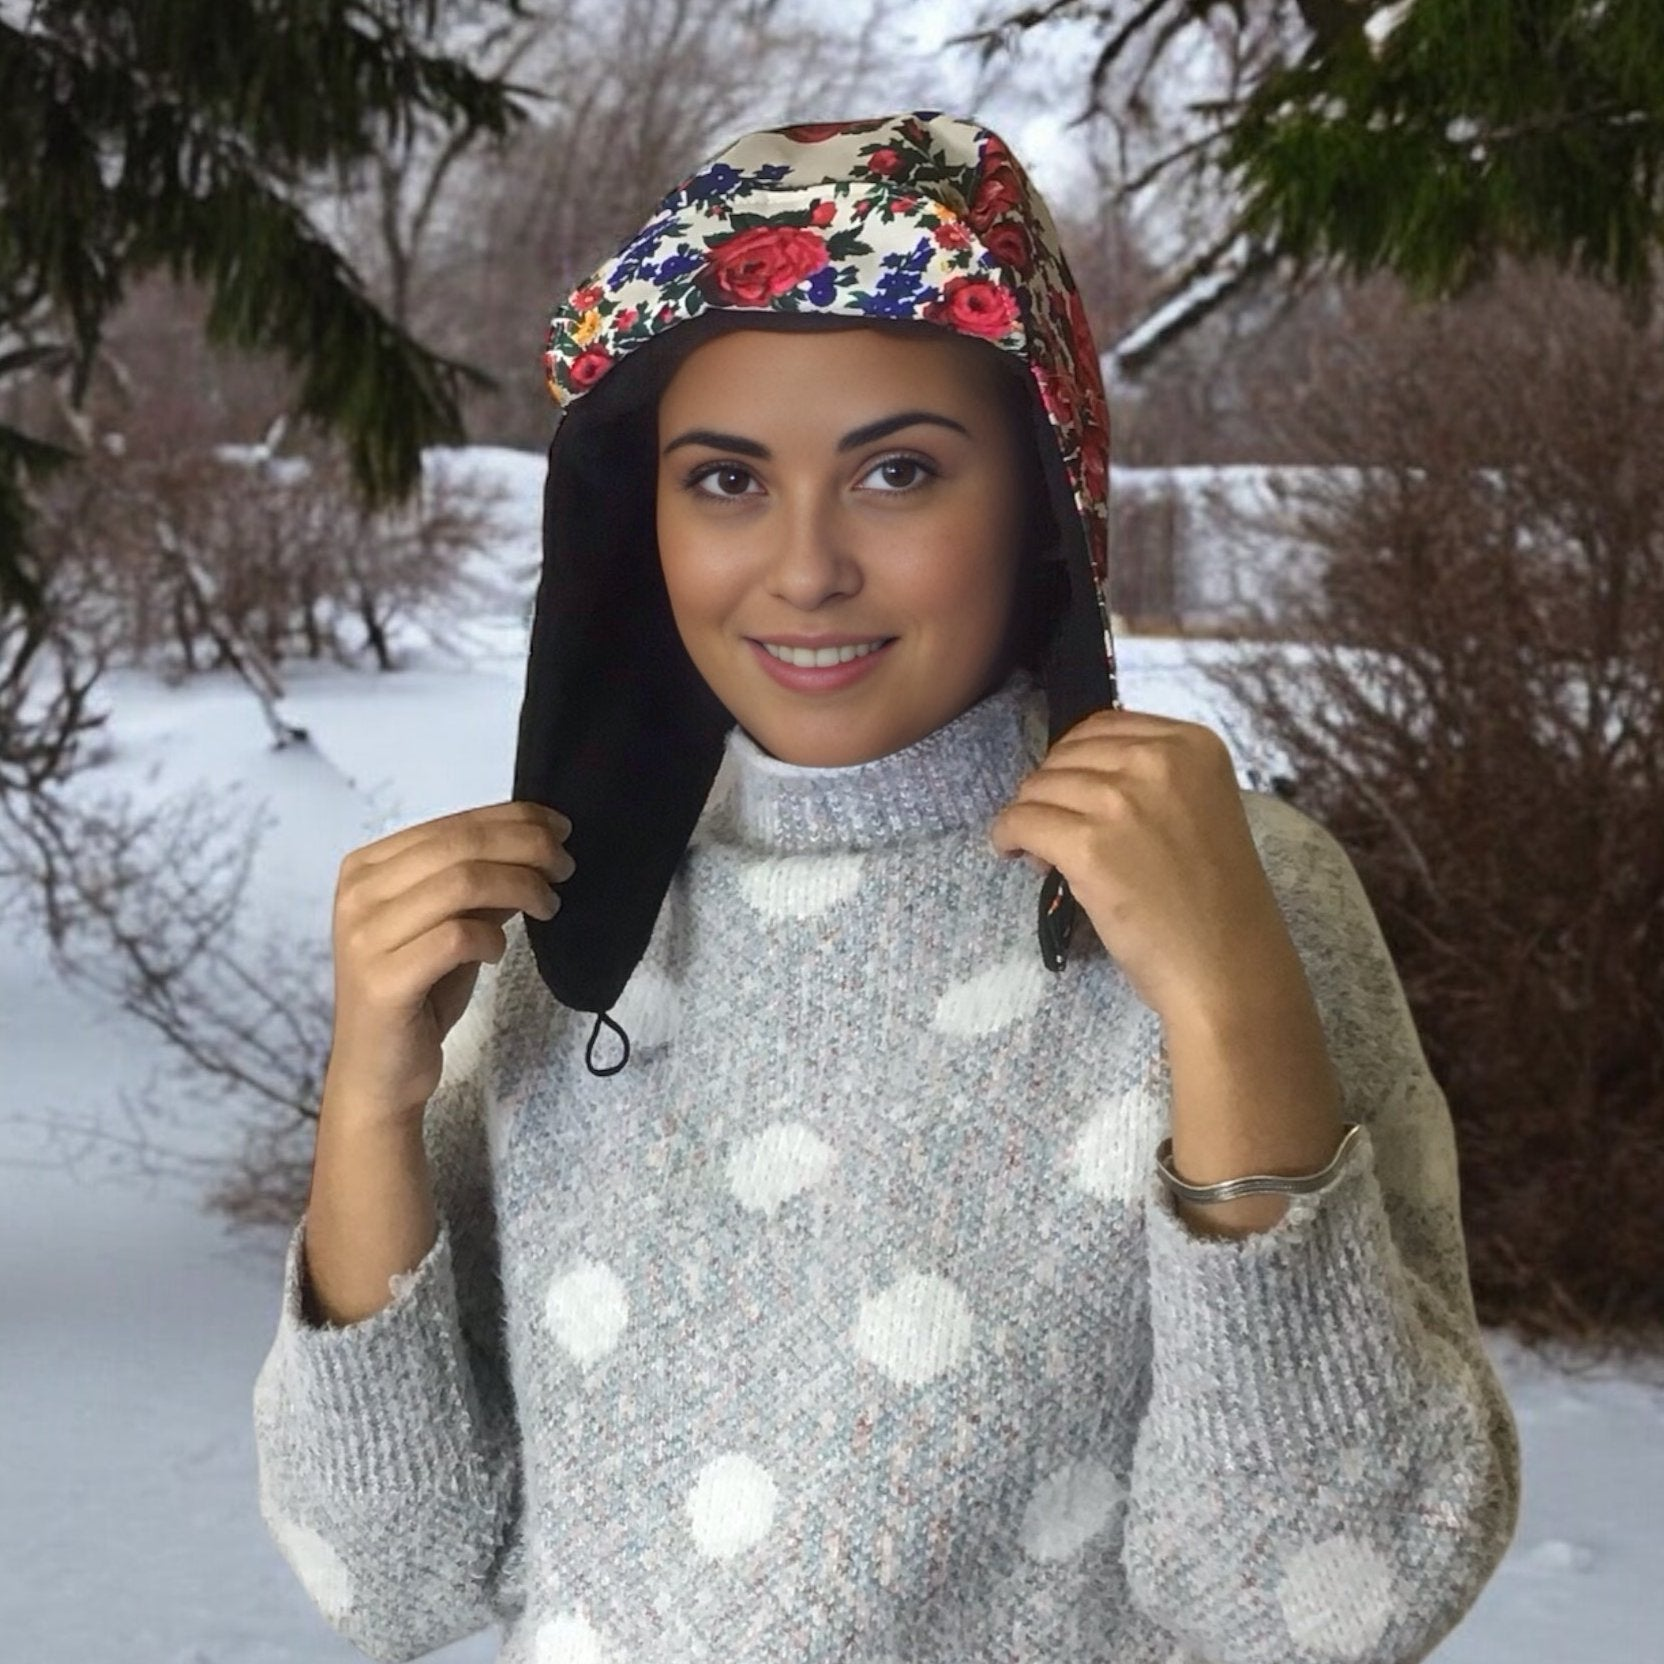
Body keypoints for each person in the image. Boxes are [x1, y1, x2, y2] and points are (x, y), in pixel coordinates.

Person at [252, 112, 1520, 1663]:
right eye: (725, 479)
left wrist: (1230, 1005)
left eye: (898, 472)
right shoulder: (559, 926)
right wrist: (368, 1103)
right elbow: (392, 1578)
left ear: (1046, 495)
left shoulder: (1226, 890)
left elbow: (1319, 1602)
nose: (803, 570)